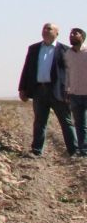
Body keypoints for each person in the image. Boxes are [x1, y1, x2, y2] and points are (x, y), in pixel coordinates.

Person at [17, 23, 77, 157]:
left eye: (49, 28)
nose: (45, 31)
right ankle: (36, 150)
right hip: (39, 90)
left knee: (66, 121)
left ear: (57, 33)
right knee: (39, 121)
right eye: (44, 28)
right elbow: (27, 69)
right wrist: (22, 88)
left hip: (58, 92)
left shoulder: (65, 50)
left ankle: (74, 150)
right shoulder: (34, 49)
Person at [67, 27, 87, 157]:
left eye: (75, 33)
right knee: (80, 124)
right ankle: (83, 149)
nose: (72, 35)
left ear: (82, 36)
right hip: (74, 94)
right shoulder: (68, 54)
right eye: (71, 33)